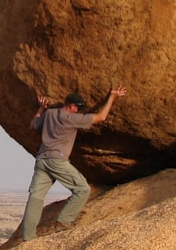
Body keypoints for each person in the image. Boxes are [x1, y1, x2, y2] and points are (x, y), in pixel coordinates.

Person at [20, 86, 128, 241]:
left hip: (42, 160)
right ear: (71, 107)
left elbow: (33, 125)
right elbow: (101, 117)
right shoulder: (71, 119)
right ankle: (63, 221)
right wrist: (112, 97)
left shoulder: (49, 113)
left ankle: (28, 238)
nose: (78, 112)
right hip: (57, 160)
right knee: (83, 189)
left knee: (35, 197)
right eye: (78, 109)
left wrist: (41, 109)